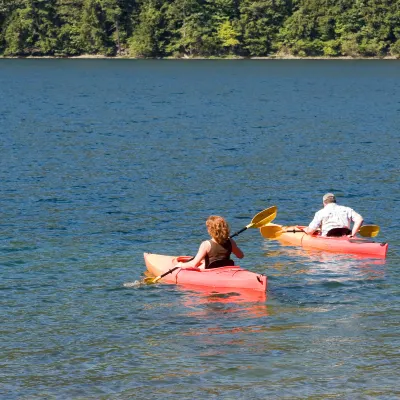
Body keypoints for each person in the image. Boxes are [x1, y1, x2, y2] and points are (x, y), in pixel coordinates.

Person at [176, 215, 244, 270]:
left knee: (201, 265)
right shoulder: (231, 242)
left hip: (211, 272)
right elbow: (240, 256)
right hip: (225, 270)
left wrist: (181, 265)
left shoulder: (206, 244)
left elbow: (193, 264)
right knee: (203, 263)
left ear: (210, 230)